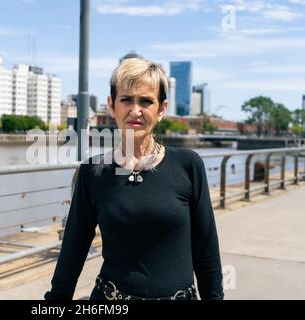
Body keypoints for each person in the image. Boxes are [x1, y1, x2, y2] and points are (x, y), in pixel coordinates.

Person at [44, 57, 224, 300]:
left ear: (161, 109)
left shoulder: (188, 165)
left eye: (146, 101)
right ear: (112, 105)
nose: (135, 110)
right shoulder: (93, 172)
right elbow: (73, 250)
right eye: (126, 99)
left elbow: (206, 250)